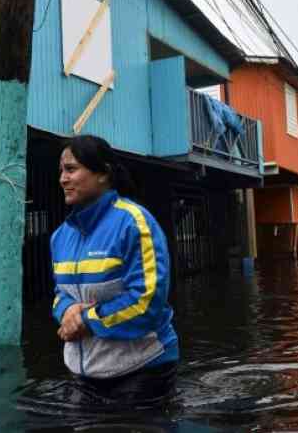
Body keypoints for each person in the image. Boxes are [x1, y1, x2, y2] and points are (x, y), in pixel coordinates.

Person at [50, 135, 178, 407]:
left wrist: (85, 320)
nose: (63, 178)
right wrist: (66, 312)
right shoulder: (60, 237)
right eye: (61, 171)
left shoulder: (134, 222)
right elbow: (60, 293)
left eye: (71, 169)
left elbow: (147, 301)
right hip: (84, 373)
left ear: (103, 174)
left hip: (143, 370)